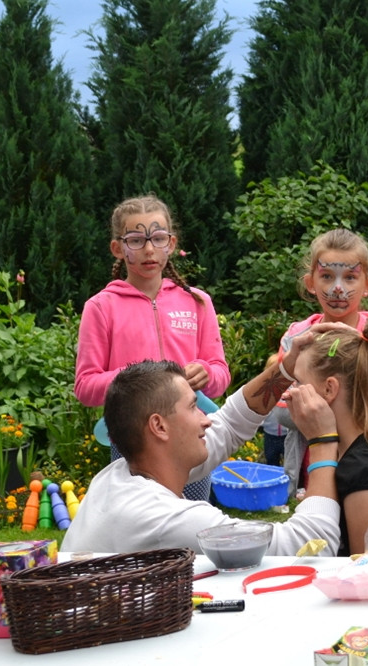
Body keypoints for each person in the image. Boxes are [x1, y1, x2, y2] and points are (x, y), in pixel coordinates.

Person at [61, 326, 342, 556]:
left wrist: (285, 370)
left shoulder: (117, 477)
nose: (207, 419)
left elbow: (230, 423)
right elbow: (309, 546)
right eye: (194, 407)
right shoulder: (162, 518)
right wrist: (323, 441)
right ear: (159, 426)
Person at [74, 195, 229, 502]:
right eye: (136, 240)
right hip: (132, 438)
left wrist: (207, 372)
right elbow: (85, 386)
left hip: (189, 435)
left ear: (171, 243)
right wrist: (138, 378)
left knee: (193, 523)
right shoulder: (101, 307)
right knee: (138, 525)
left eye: (157, 238)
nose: (148, 249)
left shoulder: (197, 302)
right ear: (118, 248)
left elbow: (221, 374)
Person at [273, 228, 368, 496]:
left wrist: (314, 407)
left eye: (350, 278)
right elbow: (278, 414)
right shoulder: (296, 337)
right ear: (310, 282)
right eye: (326, 276)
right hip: (311, 475)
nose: (338, 288)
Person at [290, 318, 368, 555]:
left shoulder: (363, 470)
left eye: (298, 383)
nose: (290, 393)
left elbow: (365, 570)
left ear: (329, 389)